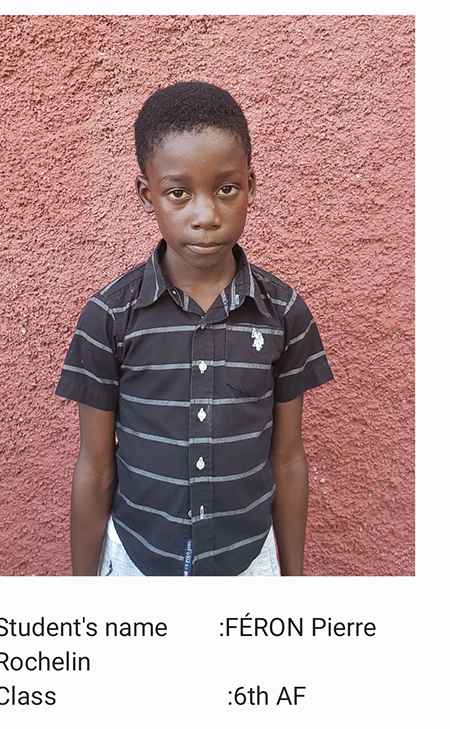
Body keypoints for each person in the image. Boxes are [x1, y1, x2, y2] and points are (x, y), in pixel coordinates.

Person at [56, 81, 333, 576]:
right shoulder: (109, 316)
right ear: (147, 195)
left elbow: (288, 458)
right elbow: (95, 466)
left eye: (226, 189)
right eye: (178, 193)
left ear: (251, 185)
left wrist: (293, 587)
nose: (205, 216)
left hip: (248, 562)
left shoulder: (284, 312)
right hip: (138, 561)